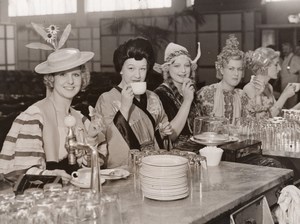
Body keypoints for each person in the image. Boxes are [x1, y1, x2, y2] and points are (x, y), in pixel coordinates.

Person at [0, 24, 106, 183]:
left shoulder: (81, 118)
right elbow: (18, 174)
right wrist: (50, 175)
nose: (70, 81)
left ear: (83, 78)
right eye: (62, 74)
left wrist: (91, 138)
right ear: (51, 79)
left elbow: (89, 167)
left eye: (76, 74)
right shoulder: (34, 117)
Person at [94, 37, 173, 168]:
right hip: (124, 169)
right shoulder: (106, 99)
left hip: (154, 166)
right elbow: (105, 142)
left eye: (142, 69)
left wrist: (163, 133)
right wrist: (124, 108)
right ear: (121, 69)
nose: (137, 75)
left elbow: (160, 134)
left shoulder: (153, 97)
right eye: (131, 68)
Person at [153, 42, 202, 151]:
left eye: (187, 65)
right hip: (176, 156)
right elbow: (169, 136)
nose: (183, 71)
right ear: (167, 69)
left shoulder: (190, 89)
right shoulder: (159, 94)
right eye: (177, 66)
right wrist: (187, 101)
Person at [196, 34, 248, 124]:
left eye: (239, 69)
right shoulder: (207, 93)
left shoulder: (242, 96)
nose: (236, 74)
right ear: (221, 69)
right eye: (231, 69)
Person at [243, 47, 296, 119]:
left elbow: (278, 114)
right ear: (265, 67)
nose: (280, 68)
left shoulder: (269, 86)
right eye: (276, 64)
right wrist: (284, 96)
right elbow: (262, 120)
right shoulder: (249, 88)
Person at [280, 42, 300, 108]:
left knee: (291, 106)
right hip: (284, 86)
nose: (284, 51)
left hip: (292, 87)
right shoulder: (285, 58)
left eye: (286, 49)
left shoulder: (295, 58)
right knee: (284, 105)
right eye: (283, 49)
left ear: (291, 49)